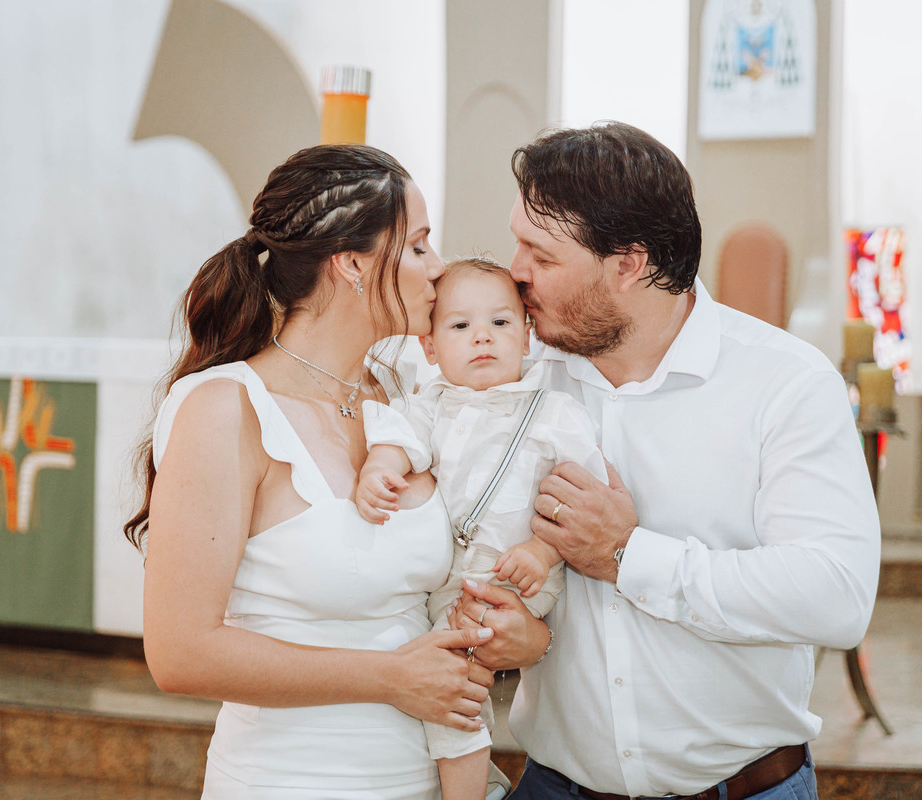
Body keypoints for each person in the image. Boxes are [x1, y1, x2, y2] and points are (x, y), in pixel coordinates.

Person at [454, 121, 881, 800]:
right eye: (516, 242)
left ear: (628, 265)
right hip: (555, 786)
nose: (515, 271)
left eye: (541, 252)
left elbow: (836, 596)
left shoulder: (785, 383)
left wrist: (628, 555)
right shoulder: (515, 376)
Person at [124, 143, 497, 799]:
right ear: (351, 264)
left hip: (419, 783)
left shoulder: (403, 395)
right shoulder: (226, 408)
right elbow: (180, 652)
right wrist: (388, 677)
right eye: (418, 247)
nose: (438, 270)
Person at [356, 257, 608, 800]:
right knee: (444, 691)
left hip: (521, 579)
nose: (482, 339)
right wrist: (381, 468)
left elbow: (587, 497)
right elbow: (399, 439)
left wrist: (542, 551)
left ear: (528, 335)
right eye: (460, 326)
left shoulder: (552, 412)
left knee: (457, 689)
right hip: (444, 581)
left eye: (500, 323)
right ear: (429, 347)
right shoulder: (430, 405)